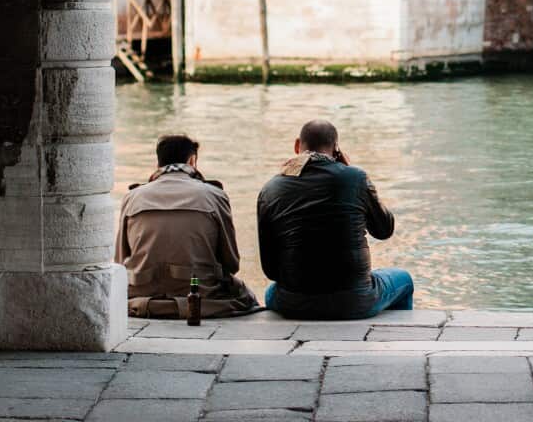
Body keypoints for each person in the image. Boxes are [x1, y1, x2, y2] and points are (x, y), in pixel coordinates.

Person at [256, 120, 413, 320]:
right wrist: (358, 180)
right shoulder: (355, 177)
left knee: (271, 291)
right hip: (354, 301)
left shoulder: (270, 189)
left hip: (293, 303)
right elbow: (384, 230)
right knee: (404, 280)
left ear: (297, 146)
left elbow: (270, 269)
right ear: (336, 149)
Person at [115, 134, 257, 318]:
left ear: (158, 163)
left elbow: (119, 262)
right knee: (245, 296)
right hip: (200, 295)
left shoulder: (132, 197)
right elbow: (231, 263)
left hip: (141, 297)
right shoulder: (214, 196)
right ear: (192, 160)